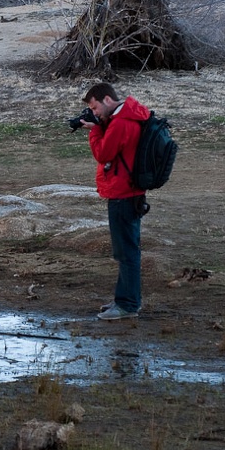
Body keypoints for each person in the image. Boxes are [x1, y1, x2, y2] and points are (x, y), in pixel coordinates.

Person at [80, 82, 150, 321]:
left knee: (126, 251)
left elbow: (103, 153)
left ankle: (128, 305)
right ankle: (125, 299)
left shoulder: (120, 123)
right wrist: (101, 125)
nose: (95, 113)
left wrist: (95, 130)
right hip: (131, 192)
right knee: (127, 249)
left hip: (123, 193)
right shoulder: (130, 115)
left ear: (107, 100)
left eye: (95, 107)